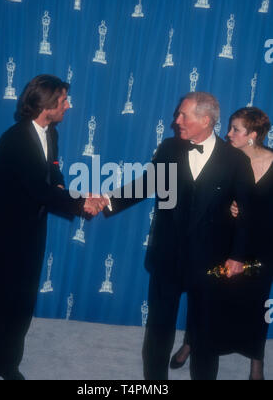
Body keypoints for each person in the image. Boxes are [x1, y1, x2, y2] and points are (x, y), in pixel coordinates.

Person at [104, 92, 254, 380]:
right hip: (167, 256)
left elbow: (246, 213)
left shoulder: (235, 160)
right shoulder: (170, 148)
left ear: (206, 120)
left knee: (205, 334)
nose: (176, 121)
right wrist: (107, 201)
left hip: (211, 261)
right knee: (159, 330)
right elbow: (146, 184)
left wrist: (237, 256)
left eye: (184, 115)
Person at [0, 74, 107, 380]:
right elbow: (39, 189)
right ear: (46, 104)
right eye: (63, 100)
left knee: (22, 305)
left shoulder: (51, 133)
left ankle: (7, 365)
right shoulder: (15, 140)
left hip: (32, 233)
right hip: (2, 238)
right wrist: (81, 203)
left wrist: (77, 195)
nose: (68, 105)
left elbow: (53, 178)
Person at [170, 106, 273, 380]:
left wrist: (252, 212)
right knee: (205, 297)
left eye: (235, 129)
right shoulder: (226, 159)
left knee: (255, 303)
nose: (228, 134)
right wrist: (229, 209)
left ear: (252, 134)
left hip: (262, 249)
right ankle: (191, 343)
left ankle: (256, 363)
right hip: (224, 244)